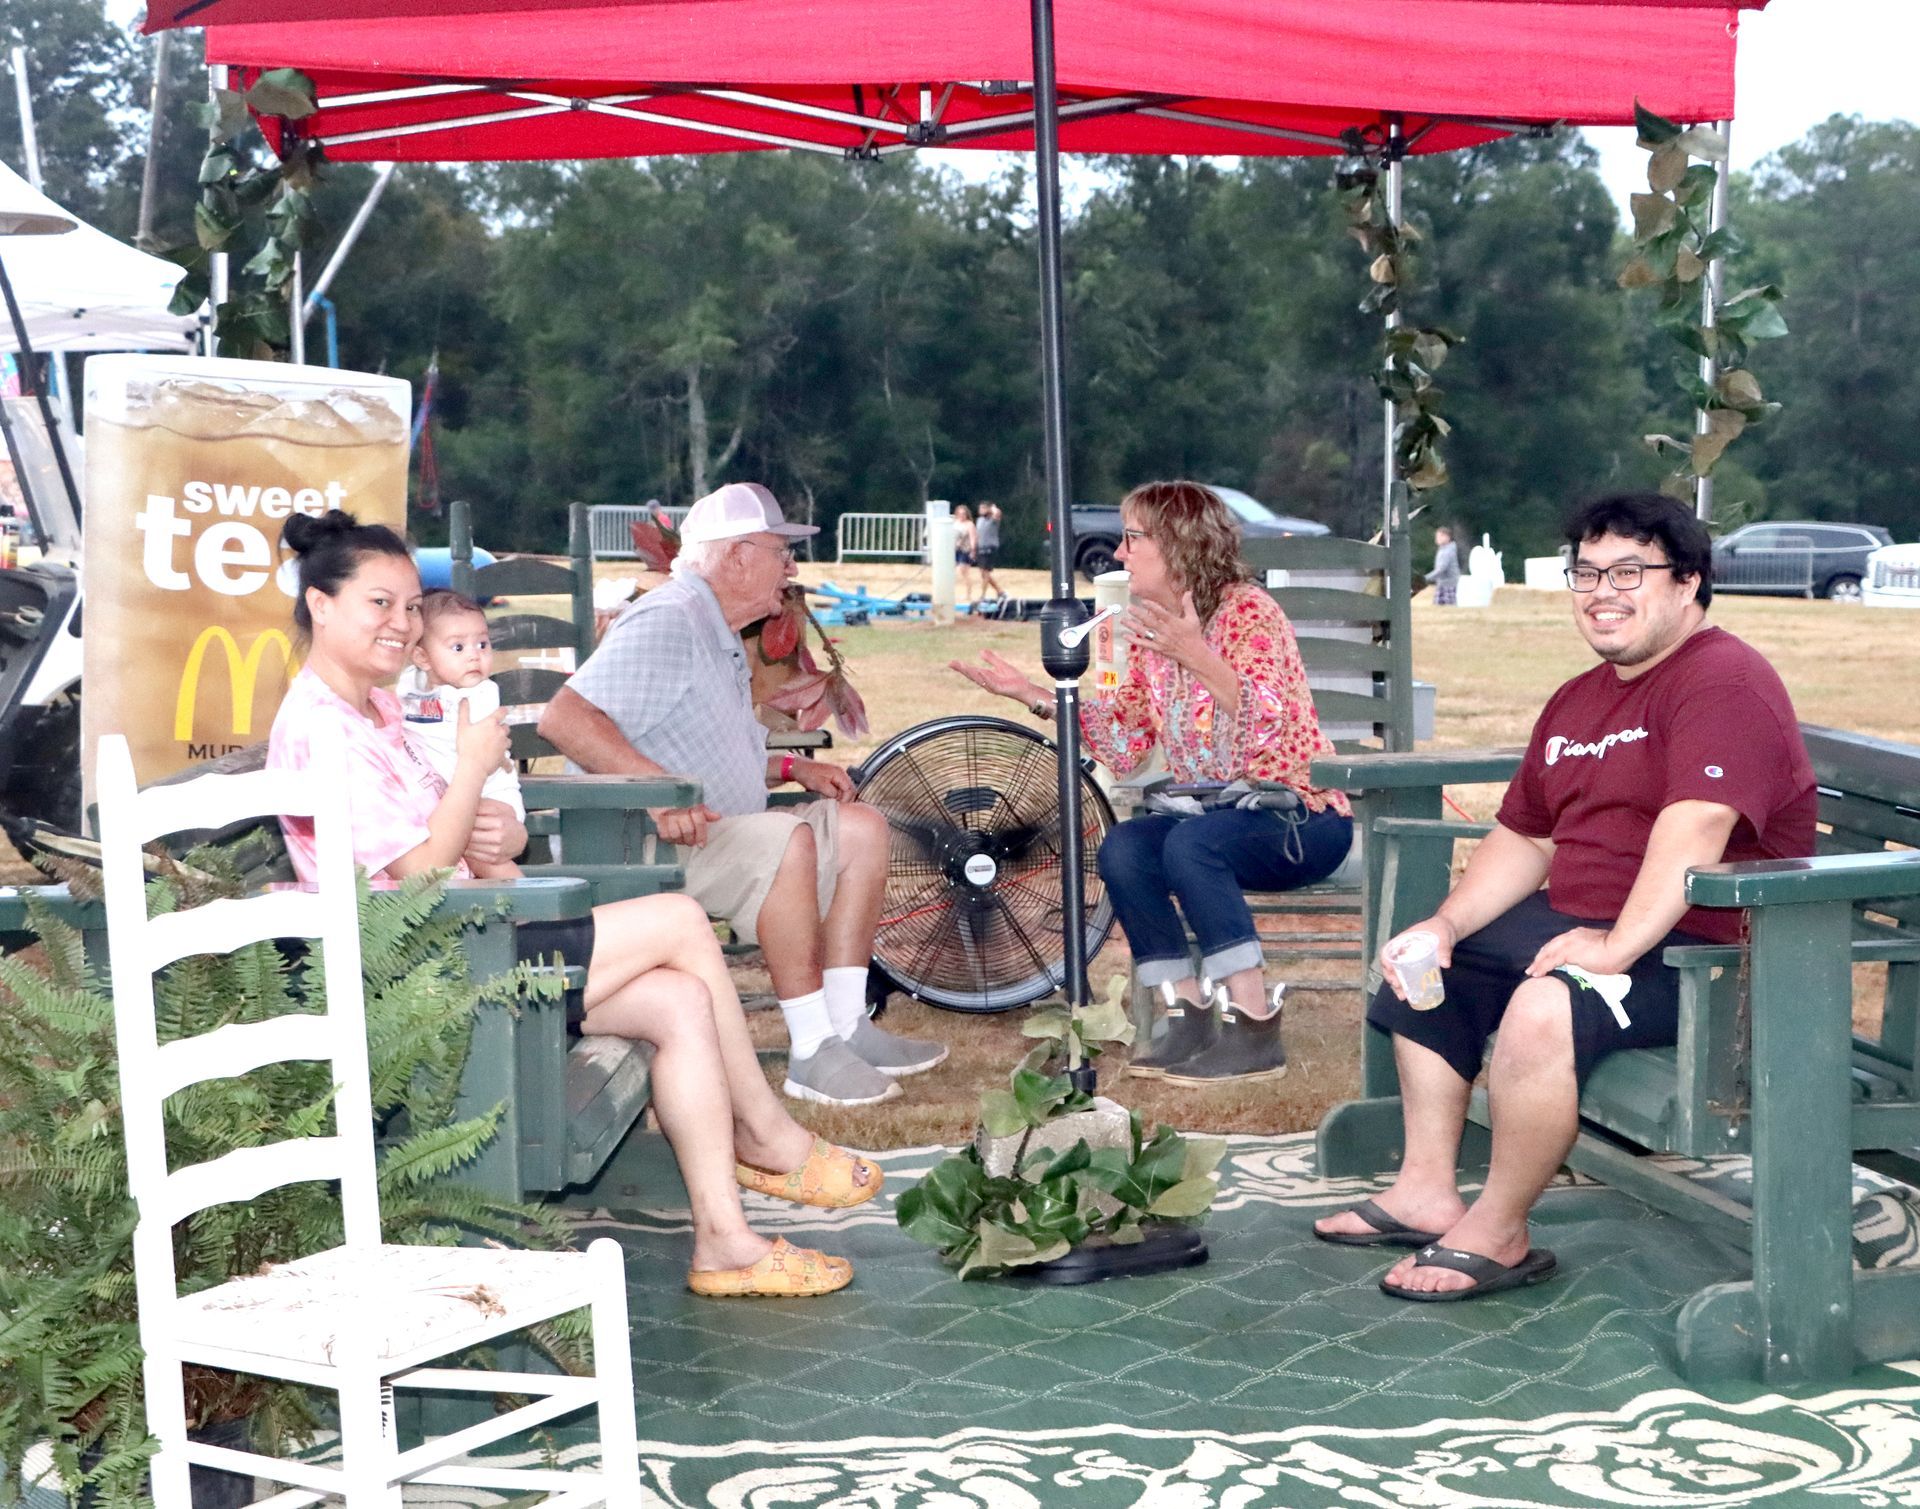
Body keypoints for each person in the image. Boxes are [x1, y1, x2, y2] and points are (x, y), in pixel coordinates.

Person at [268, 509, 873, 1300]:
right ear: (321, 604)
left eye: (412, 606)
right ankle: (764, 1132)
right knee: (681, 920)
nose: (403, 623)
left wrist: (497, 828)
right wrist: (472, 772)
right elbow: (418, 870)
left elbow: (467, 840)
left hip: (468, 932)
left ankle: (725, 1241)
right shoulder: (321, 725)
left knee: (681, 998)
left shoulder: (381, 711)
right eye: (379, 603)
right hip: (423, 969)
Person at [1314, 492, 1816, 1301]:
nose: (1601, 591)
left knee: (1546, 1006)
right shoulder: (1582, 697)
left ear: (1688, 582)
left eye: (1629, 571)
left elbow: (1696, 826)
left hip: (1708, 958)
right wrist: (1444, 923)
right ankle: (1426, 1187)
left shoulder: (1724, 681)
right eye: (1586, 572)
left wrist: (1614, 948)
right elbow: (1528, 835)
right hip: (1594, 928)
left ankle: (1500, 1229)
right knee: (1426, 967)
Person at [539, 482, 948, 1108]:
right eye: (779, 552)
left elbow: (707, 744)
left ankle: (845, 1026)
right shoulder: (671, 618)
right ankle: (811, 1050)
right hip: (637, 845)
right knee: (786, 838)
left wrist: (789, 765)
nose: (791, 568)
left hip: (712, 829)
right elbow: (566, 719)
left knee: (860, 826)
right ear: (735, 557)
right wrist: (656, 792)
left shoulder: (716, 628)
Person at [951, 480, 1353, 1085]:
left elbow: (1270, 728)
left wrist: (1198, 654)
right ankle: (1186, 1010)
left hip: (1300, 817)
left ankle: (1254, 1025)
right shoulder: (1149, 630)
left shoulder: (1249, 611)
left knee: (1191, 844)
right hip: (1216, 820)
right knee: (1125, 847)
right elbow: (1127, 746)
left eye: (1132, 538)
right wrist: (1035, 696)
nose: (1118, 553)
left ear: (1178, 543)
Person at [397, 589, 523, 878]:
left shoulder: (480, 695)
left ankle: (527, 908)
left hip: (490, 790)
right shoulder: (410, 685)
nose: (474, 657)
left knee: (479, 847)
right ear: (422, 657)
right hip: (445, 791)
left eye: (482, 644)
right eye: (458, 648)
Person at [974, 502, 1006, 604]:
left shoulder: (993, 520)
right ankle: (1000, 591)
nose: (981, 510)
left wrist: (993, 508)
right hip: (981, 548)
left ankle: (982, 595)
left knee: (986, 572)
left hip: (990, 548)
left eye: (983, 508)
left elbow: (998, 514)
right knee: (983, 574)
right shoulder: (979, 520)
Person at [952, 504, 977, 605]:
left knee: (963, 571)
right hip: (954, 549)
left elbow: (973, 538)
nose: (962, 515)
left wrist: (973, 550)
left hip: (965, 550)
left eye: (964, 514)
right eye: (960, 513)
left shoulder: (969, 524)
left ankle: (968, 594)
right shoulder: (955, 523)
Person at [1429, 525, 1460, 606]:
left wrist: (1427, 578)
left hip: (1449, 585)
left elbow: (1442, 569)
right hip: (1442, 584)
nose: (1437, 539)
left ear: (1447, 537)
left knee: (1449, 609)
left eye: (1440, 536)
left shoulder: (1448, 551)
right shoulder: (1442, 549)